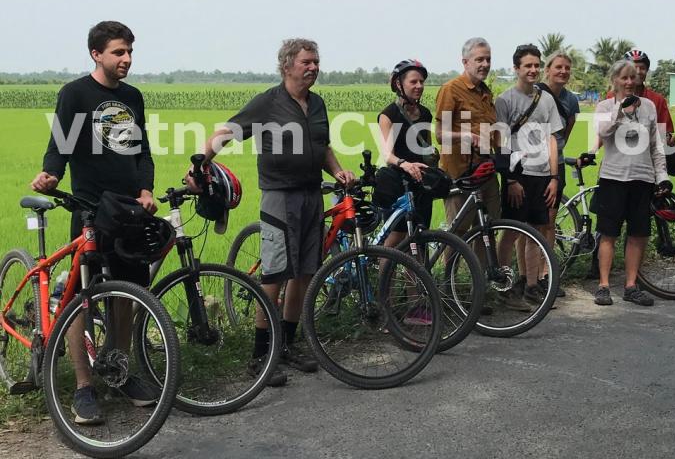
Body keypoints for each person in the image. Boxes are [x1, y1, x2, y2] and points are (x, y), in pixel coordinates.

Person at [195, 38, 355, 383]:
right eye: (306, 62)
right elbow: (225, 132)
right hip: (280, 196)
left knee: (305, 273)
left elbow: (321, 145)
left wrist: (337, 170)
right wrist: (198, 166)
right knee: (275, 274)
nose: (313, 67)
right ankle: (260, 356)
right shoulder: (268, 103)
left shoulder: (317, 104)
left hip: (312, 193)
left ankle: (286, 344)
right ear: (287, 66)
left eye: (316, 61)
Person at [30, 21, 159, 425]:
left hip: (129, 211)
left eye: (130, 52)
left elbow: (142, 153)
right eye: (119, 52)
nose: (127, 59)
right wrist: (50, 175)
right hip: (90, 209)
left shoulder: (133, 97)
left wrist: (146, 190)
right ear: (96, 54)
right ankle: (84, 387)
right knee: (79, 297)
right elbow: (60, 147)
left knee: (129, 295)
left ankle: (118, 370)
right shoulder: (75, 94)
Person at [593, 59, 670, 307]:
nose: (629, 82)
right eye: (624, 78)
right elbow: (603, 133)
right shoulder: (605, 106)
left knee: (638, 234)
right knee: (608, 234)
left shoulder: (648, 106)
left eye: (632, 78)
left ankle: (631, 285)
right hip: (613, 177)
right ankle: (603, 285)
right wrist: (621, 111)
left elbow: (656, 145)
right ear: (614, 80)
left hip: (642, 177)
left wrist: (663, 176)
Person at [494, 44, 562, 309]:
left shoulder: (545, 99)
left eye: (536, 65)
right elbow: (500, 141)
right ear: (516, 69)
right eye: (527, 66)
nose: (533, 70)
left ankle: (531, 286)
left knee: (534, 232)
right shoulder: (505, 100)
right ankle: (503, 287)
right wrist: (510, 179)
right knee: (510, 233)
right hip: (518, 175)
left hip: (542, 174)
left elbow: (552, 139)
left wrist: (554, 177)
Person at [376, 59, 438, 325]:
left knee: (418, 244)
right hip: (397, 184)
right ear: (399, 84)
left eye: (421, 81)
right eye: (413, 81)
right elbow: (386, 153)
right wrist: (405, 163)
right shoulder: (388, 114)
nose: (419, 86)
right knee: (394, 245)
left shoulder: (424, 114)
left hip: (420, 185)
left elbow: (426, 148)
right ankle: (385, 306)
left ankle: (416, 305)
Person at [435, 37, 501, 229]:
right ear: (465, 62)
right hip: (460, 176)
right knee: (458, 236)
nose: (485, 64)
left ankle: (483, 262)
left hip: (486, 173)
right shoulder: (451, 90)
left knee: (487, 230)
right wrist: (466, 137)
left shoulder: (486, 93)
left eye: (488, 59)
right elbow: (440, 135)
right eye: (479, 60)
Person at [540, 50, 581, 297]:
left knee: (550, 220)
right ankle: (527, 277)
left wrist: (556, 158)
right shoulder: (536, 93)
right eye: (558, 67)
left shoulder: (571, 101)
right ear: (548, 69)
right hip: (532, 164)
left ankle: (547, 274)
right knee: (530, 221)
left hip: (556, 165)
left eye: (567, 67)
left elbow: (564, 136)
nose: (563, 71)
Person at [608, 49, 675, 147]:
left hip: (647, 159)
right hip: (616, 158)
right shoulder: (611, 97)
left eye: (642, 68)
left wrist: (669, 138)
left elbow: (664, 132)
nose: (638, 72)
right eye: (634, 68)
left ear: (647, 71)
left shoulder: (658, 100)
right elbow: (603, 131)